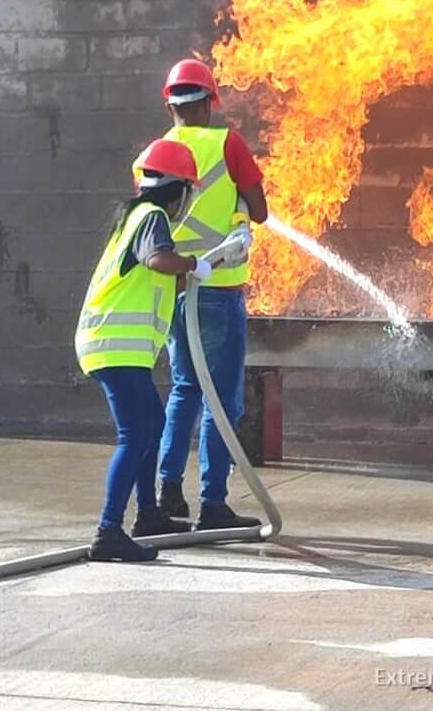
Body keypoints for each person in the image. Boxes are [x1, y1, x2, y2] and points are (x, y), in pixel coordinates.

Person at [75, 138, 214, 562]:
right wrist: (193, 264)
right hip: (114, 347)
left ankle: (148, 515)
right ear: (181, 190)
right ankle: (108, 530)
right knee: (134, 435)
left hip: (118, 349)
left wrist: (193, 268)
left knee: (151, 425)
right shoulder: (152, 217)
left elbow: (151, 275)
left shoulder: (134, 219)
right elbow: (158, 260)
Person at [151, 58, 269, 531]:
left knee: (184, 389)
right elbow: (260, 211)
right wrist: (240, 206)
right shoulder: (227, 144)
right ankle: (213, 503)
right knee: (222, 399)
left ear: (171, 104)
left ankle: (167, 489)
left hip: (175, 290)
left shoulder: (152, 154)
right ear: (209, 102)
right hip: (217, 290)